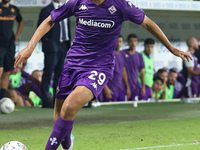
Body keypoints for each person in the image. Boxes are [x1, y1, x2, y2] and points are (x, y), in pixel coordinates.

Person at [14, 0, 192, 149]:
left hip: (99, 67)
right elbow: (49, 20)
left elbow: (147, 22)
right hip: (72, 65)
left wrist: (171, 48)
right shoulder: (78, 2)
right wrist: (30, 47)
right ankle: (68, 143)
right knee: (60, 116)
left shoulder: (120, 5)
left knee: (69, 107)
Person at [37, 0, 71, 107]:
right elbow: (40, 28)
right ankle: (46, 101)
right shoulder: (46, 9)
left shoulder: (66, 8)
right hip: (51, 47)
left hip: (64, 45)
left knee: (60, 75)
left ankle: (58, 101)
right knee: (48, 73)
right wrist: (47, 42)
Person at [0, 0, 23, 99]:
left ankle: (1, 98)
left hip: (10, 45)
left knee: (7, 72)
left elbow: (21, 21)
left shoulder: (14, 9)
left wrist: (17, 36)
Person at [103, 35, 131, 101]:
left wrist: (128, 87)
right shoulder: (107, 55)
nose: (118, 44)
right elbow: (102, 72)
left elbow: (124, 71)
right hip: (111, 89)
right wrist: (106, 88)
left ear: (123, 42)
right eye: (116, 41)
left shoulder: (122, 55)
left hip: (121, 89)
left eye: (120, 41)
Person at [121, 34, 145, 101]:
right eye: (131, 41)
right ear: (128, 42)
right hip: (123, 86)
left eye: (135, 41)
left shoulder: (139, 56)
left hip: (135, 86)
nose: (133, 43)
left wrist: (143, 87)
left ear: (137, 43)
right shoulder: (122, 54)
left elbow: (142, 72)